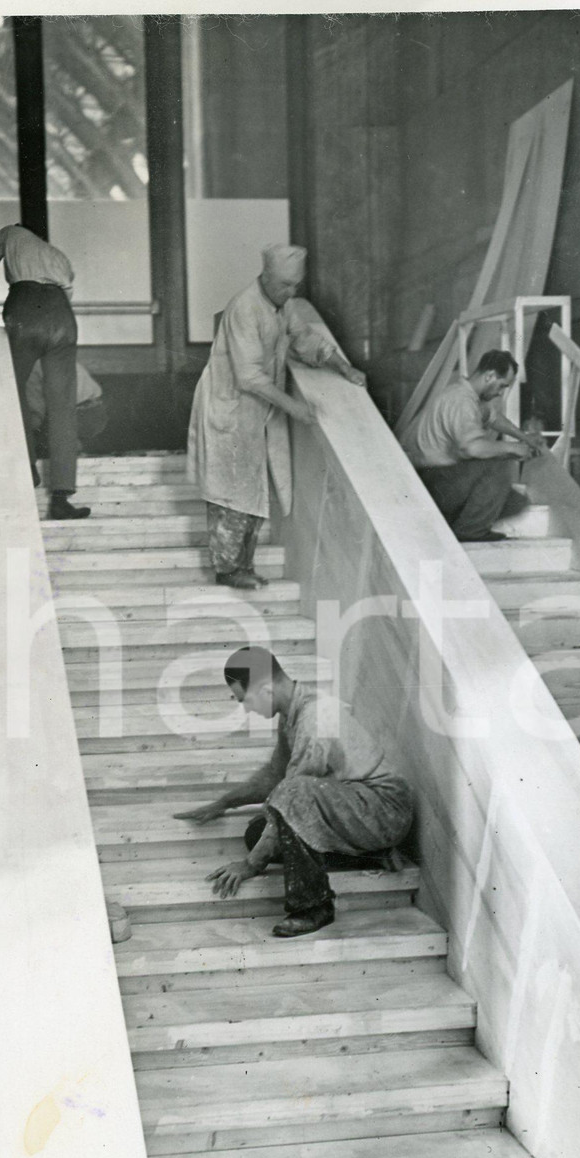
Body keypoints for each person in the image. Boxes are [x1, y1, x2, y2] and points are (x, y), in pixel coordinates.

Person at [174, 647, 414, 938]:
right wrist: (225, 803)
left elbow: (291, 795)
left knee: (291, 796)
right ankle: (372, 855)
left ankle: (314, 906)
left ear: (265, 688)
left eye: (245, 700)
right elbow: (274, 775)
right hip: (356, 809)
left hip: (384, 810)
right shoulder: (292, 713)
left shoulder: (315, 716)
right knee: (257, 832)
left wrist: (251, 865)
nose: (247, 709)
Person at [186, 245, 366, 590]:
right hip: (229, 405)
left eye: (295, 286)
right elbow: (248, 377)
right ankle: (227, 568)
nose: (291, 292)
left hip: (255, 412)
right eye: (285, 285)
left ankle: (244, 565)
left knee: (252, 489)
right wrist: (293, 407)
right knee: (230, 492)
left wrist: (344, 367)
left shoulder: (283, 305)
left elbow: (304, 339)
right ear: (266, 277)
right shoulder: (245, 307)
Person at [0, 223, 91, 520]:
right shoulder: (58, 256)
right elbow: (66, 295)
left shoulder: (12, 233)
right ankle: (61, 498)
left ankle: (26, 468)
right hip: (62, 318)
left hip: (26, 311)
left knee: (12, 394)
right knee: (63, 407)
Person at [399, 349, 547, 542]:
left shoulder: (473, 398)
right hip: (427, 482)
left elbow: (494, 419)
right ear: (490, 376)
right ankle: (469, 532)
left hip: (443, 480)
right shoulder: (460, 400)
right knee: (497, 465)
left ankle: (450, 525)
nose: (500, 393)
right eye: (501, 386)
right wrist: (512, 448)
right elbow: (471, 448)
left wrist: (525, 438)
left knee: (516, 503)